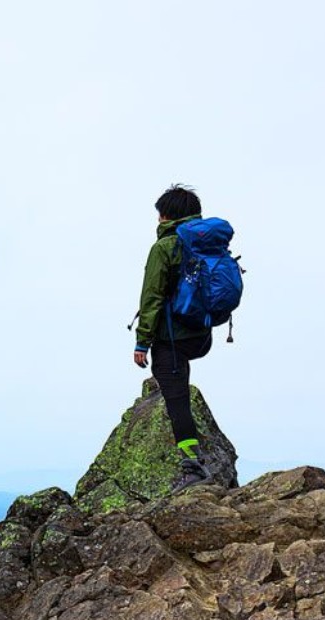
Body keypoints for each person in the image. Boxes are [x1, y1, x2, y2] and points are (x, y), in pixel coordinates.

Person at [133, 184, 215, 491]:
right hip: (202, 333)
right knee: (177, 377)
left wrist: (142, 342)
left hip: (172, 336)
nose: (157, 219)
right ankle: (196, 459)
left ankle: (193, 465)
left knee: (176, 395)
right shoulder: (206, 244)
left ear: (168, 215)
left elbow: (152, 297)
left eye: (160, 214)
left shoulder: (165, 247)